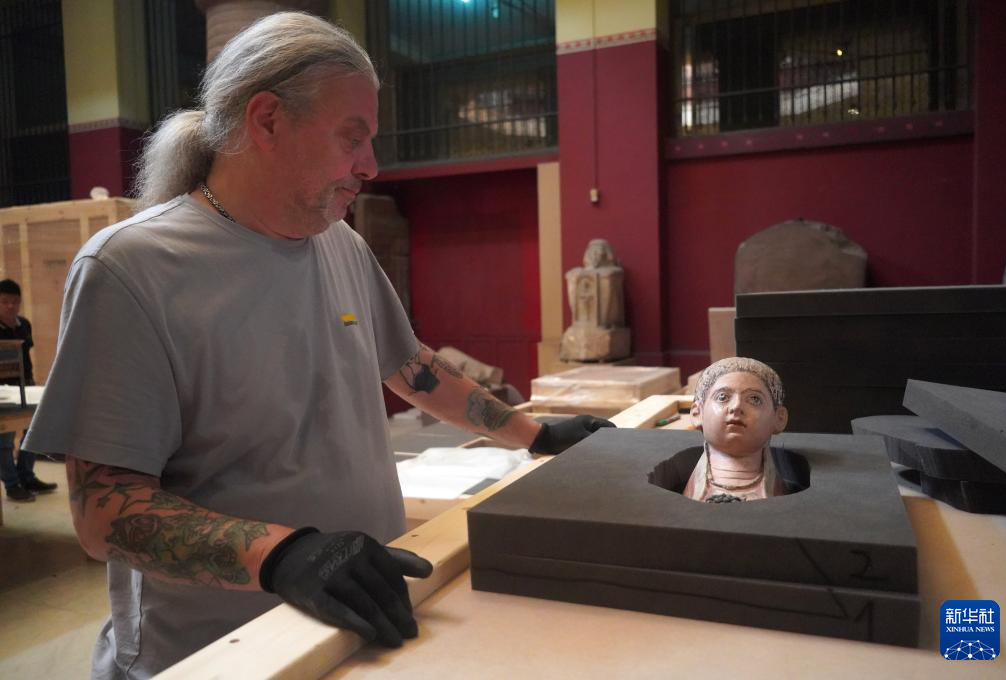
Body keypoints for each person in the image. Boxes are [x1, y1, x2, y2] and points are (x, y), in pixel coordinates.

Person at [21, 12, 613, 679]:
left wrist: (537, 434)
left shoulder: (341, 244)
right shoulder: (131, 269)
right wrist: (282, 555)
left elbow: (411, 367)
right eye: (351, 137)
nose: (371, 165)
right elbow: (103, 510)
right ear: (268, 119)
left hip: (353, 629)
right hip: (216, 656)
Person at [683, 357, 789, 503]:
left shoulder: (779, 495)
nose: (737, 406)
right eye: (722, 397)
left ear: (779, 418)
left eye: (754, 399)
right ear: (697, 413)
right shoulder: (691, 495)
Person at [0, 278, 57, 502]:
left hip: (26, 385)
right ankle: (12, 484)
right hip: (3, 391)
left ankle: (27, 476)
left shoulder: (24, 325)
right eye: (4, 301)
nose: (10, 306)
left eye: (15, 301)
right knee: (5, 440)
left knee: (33, 432)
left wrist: (30, 382)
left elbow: (25, 355)